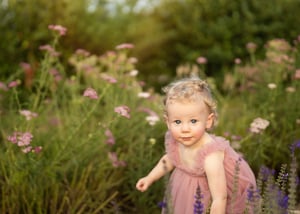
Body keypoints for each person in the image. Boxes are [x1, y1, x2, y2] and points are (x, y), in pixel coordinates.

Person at [136, 77, 257, 214]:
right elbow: (169, 159)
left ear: (208, 121)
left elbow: (219, 197)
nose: (185, 129)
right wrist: (149, 178)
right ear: (168, 122)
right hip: (183, 189)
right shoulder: (178, 140)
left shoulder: (210, 155)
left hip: (208, 196)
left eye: (193, 121)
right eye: (177, 122)